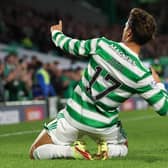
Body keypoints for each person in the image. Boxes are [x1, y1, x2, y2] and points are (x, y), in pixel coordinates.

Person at [29, 8, 168, 160]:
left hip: (74, 117)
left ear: (128, 32)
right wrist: (158, 84)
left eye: (126, 24)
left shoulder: (101, 45)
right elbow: (163, 108)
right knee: (123, 147)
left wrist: (56, 33)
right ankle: (109, 150)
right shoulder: (142, 74)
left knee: (35, 151)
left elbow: (69, 45)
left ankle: (72, 152)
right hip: (104, 127)